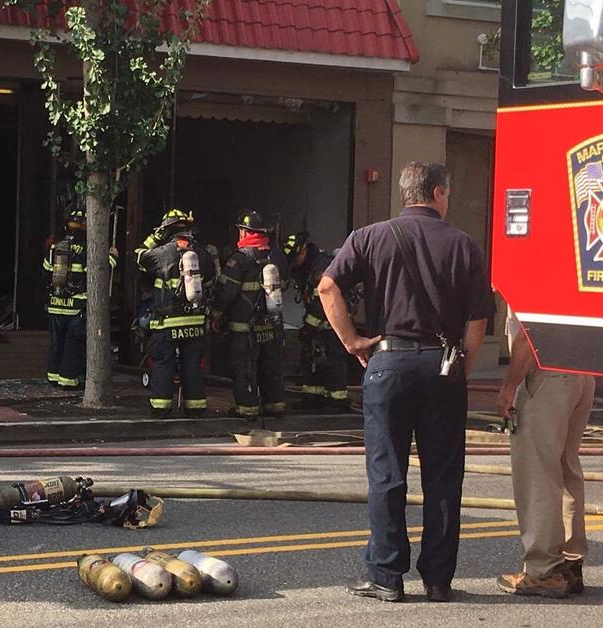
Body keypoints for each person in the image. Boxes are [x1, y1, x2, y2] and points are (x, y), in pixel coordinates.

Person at [318, 161, 494, 603]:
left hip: (388, 362)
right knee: (443, 476)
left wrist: (353, 342)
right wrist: (461, 370)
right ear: (437, 192)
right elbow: (478, 318)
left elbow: (327, 287)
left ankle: (386, 576)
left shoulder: (370, 237)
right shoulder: (464, 245)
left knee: (387, 474)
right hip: (443, 366)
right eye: (448, 193)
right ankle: (438, 580)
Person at [495, 309, 595, 598]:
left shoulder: (528, 273)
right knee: (566, 469)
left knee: (537, 473)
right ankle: (570, 562)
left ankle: (543, 571)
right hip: (581, 372)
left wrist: (509, 386)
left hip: (546, 374)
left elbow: (530, 333)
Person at [136, 208, 216, 418]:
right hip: (195, 322)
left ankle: (161, 408)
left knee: (163, 363)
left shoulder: (162, 253)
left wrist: (154, 238)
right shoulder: (202, 253)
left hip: (167, 322)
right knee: (193, 365)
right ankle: (195, 408)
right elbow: (210, 281)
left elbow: (139, 257)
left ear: (167, 231)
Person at [210, 211, 288, 419]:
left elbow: (226, 291)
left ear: (245, 232)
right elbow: (286, 285)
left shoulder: (240, 258)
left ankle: (247, 409)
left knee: (244, 367)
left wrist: (216, 314)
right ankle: (275, 406)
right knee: (271, 367)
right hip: (272, 325)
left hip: (244, 326)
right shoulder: (276, 256)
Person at [42, 205, 116, 391]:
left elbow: (45, 272)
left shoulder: (55, 245)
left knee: (56, 343)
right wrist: (113, 257)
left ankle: (53, 376)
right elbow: (99, 271)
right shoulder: (88, 247)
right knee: (73, 344)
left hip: (55, 305)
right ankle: (68, 381)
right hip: (76, 306)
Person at [281, 231, 350, 412]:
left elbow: (321, 302)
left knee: (333, 362)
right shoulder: (309, 267)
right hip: (319, 328)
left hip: (332, 327)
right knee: (313, 360)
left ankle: (337, 401)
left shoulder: (322, 267)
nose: (295, 263)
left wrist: (308, 327)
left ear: (303, 252)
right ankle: (313, 397)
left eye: (296, 258)